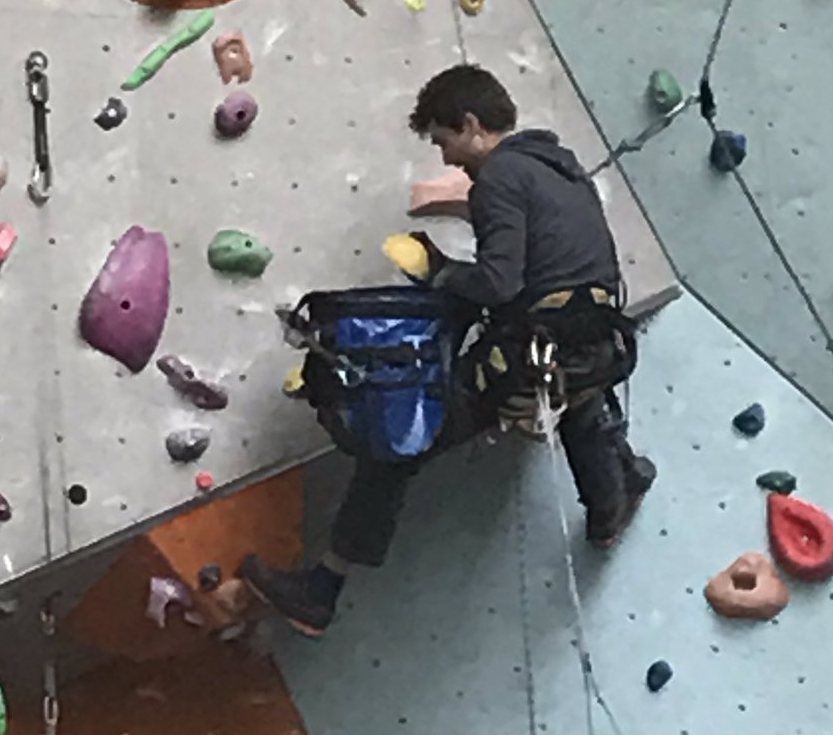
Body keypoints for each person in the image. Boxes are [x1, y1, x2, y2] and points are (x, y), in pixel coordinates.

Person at [239, 64, 655, 637]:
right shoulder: (562, 171)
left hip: (540, 350)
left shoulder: (501, 178)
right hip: (596, 343)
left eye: (444, 140)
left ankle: (322, 588)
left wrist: (438, 271)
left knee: (404, 435)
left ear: (471, 123)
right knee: (576, 399)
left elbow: (499, 283)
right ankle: (613, 499)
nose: (447, 159)